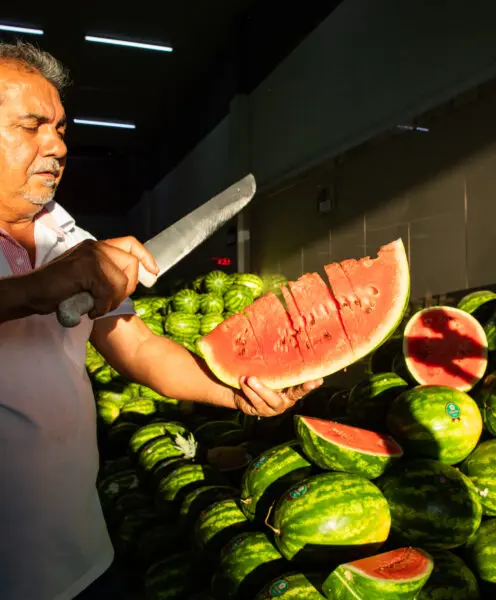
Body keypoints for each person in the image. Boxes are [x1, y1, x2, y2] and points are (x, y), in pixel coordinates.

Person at [0, 41, 322, 600]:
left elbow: (140, 349)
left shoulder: (64, 229)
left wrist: (233, 392)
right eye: (32, 126)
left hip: (80, 551)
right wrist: (36, 290)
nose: (57, 145)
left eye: (60, 128)